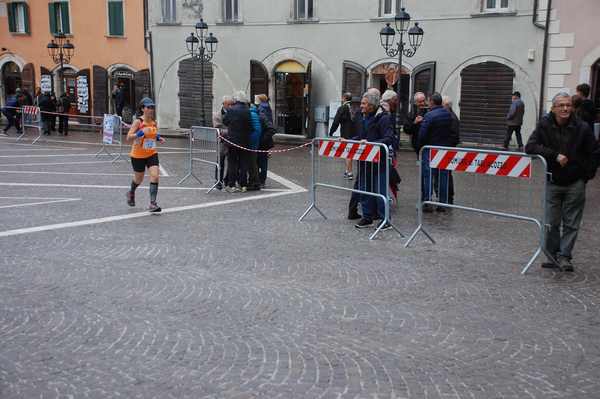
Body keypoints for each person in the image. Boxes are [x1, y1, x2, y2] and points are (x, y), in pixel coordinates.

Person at [525, 92, 599, 272]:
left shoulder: (582, 127)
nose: (565, 108)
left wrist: (585, 176)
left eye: (568, 105)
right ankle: (552, 256)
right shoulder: (544, 125)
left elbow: (595, 152)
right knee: (551, 222)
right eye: (561, 105)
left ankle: (565, 257)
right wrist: (554, 155)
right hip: (553, 181)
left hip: (575, 182)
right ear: (553, 108)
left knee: (572, 223)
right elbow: (530, 147)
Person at [353, 91, 395, 231]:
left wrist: (372, 143)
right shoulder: (362, 116)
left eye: (364, 104)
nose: (361, 106)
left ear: (371, 105)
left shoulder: (384, 118)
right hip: (364, 160)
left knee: (380, 191)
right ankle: (367, 217)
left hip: (379, 161)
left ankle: (385, 220)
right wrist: (348, 141)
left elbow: (389, 138)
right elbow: (360, 136)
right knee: (365, 189)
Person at [125, 97, 165, 213]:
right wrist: (141, 132)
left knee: (155, 176)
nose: (151, 109)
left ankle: (153, 203)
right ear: (143, 109)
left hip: (151, 153)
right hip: (138, 155)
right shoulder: (138, 122)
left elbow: (152, 134)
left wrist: (158, 138)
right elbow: (128, 137)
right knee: (139, 179)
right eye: (148, 107)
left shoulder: (154, 122)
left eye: (152, 107)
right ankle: (131, 192)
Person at [418, 92, 455, 212]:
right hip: (444, 150)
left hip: (430, 149)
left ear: (432, 102)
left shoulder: (429, 115)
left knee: (428, 176)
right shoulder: (448, 114)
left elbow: (422, 135)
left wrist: (420, 144)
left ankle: (427, 202)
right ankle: (443, 203)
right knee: (443, 177)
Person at [223, 91, 251, 193]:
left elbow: (225, 121)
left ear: (236, 99)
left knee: (232, 163)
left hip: (233, 141)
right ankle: (243, 185)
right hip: (244, 141)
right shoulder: (247, 110)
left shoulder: (231, 110)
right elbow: (249, 125)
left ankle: (232, 185)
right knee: (243, 163)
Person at [329, 92, 356, 179]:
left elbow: (336, 121)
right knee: (349, 152)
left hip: (346, 132)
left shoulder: (342, 108)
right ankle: (347, 170)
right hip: (354, 133)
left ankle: (350, 172)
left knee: (348, 152)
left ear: (344, 98)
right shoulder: (354, 107)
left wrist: (331, 132)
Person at [213, 95, 234, 189]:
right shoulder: (217, 114)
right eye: (229, 104)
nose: (230, 106)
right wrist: (230, 132)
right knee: (220, 162)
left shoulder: (233, 112)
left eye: (231, 104)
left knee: (231, 162)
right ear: (224, 104)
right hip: (222, 141)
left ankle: (227, 179)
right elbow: (217, 128)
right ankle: (218, 180)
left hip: (232, 141)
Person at [443, 95, 460, 204]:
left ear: (446, 106)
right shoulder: (450, 116)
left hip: (448, 149)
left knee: (447, 174)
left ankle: (449, 197)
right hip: (448, 148)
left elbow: (454, 136)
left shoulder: (451, 118)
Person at [256, 94, 273, 187]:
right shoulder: (267, 107)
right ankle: (262, 180)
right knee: (263, 161)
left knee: (261, 161)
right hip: (265, 139)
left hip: (262, 138)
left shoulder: (262, 109)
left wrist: (262, 138)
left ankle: (261, 180)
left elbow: (269, 126)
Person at [248, 102, 264, 191]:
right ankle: (254, 182)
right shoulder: (254, 113)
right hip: (254, 143)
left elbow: (256, 130)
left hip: (252, 143)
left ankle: (254, 182)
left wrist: (250, 142)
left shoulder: (252, 114)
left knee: (252, 163)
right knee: (253, 163)